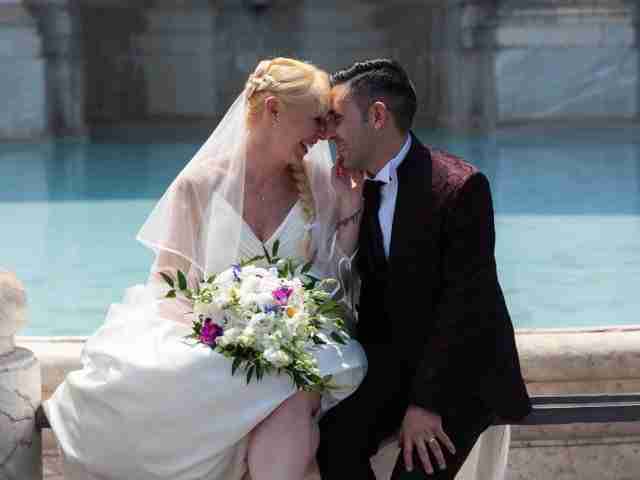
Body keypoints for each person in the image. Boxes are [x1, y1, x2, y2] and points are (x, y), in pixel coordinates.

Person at [43, 57, 367, 480]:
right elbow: (168, 282)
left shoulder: (321, 185)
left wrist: (350, 208)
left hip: (290, 339)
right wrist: (224, 328)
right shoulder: (198, 185)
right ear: (273, 110)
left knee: (290, 397)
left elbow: (333, 284)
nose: (323, 134)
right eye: (316, 119)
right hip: (209, 332)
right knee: (181, 380)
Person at [317, 59, 531, 480]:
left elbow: (465, 306)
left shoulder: (460, 187)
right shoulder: (358, 188)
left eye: (338, 119)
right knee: (330, 441)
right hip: (395, 371)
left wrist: (425, 403)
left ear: (378, 116)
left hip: (461, 374)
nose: (328, 133)